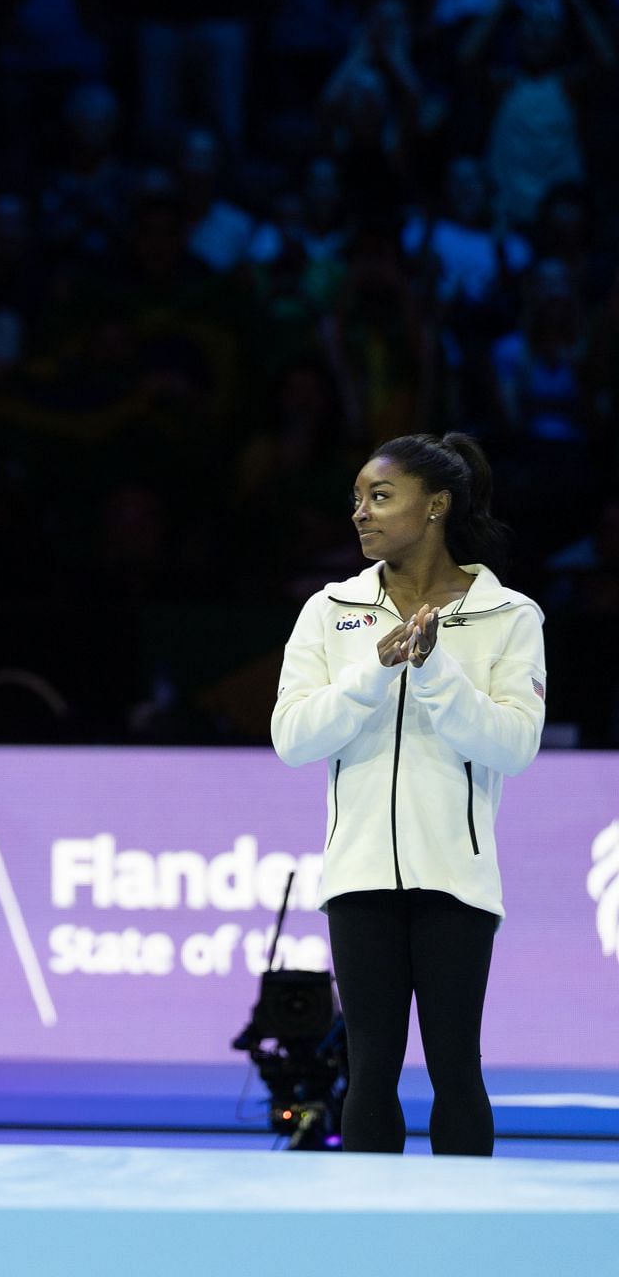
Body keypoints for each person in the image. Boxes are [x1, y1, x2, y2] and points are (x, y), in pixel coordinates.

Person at [271, 432, 546, 1156]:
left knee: (456, 1070)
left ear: (436, 506)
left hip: (457, 879)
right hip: (359, 878)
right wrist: (376, 670)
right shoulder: (329, 611)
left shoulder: (509, 616)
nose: (361, 513)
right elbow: (293, 737)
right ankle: (370, 1249)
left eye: (380, 497)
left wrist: (432, 674)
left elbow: (513, 745)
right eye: (357, 499)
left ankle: (466, 1253)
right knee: (369, 1072)